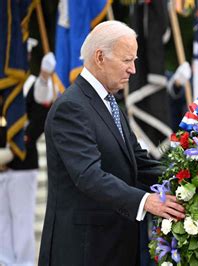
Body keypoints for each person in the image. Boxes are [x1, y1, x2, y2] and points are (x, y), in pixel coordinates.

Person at [38, 21, 185, 266]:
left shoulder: (109, 101)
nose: (133, 70)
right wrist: (145, 201)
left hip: (113, 246)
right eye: (127, 60)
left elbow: (138, 161)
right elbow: (88, 175)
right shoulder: (71, 107)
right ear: (100, 57)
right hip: (82, 250)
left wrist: (188, 177)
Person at [0, 38, 56, 266]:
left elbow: (42, 111)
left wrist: (44, 77)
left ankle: (22, 263)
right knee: (1, 220)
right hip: (2, 162)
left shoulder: (33, 84)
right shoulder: (5, 83)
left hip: (23, 163)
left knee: (22, 218)